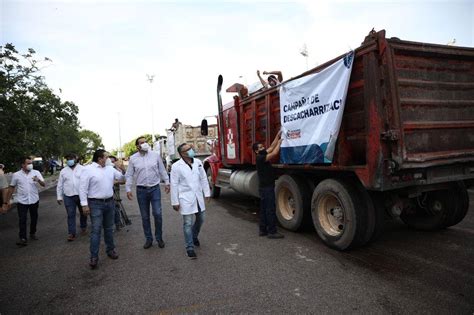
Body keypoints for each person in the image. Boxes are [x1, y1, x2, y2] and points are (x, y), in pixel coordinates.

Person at [79, 149, 124, 269]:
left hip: (109, 202)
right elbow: (82, 188)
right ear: (100, 159)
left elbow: (121, 177)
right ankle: (94, 257)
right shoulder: (88, 170)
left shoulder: (110, 169)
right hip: (95, 204)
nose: (108, 159)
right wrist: (84, 204)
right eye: (106, 157)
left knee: (109, 228)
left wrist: (121, 168)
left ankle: (110, 250)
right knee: (96, 230)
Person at [126, 136, 170, 249]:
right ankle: (148, 239)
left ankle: (159, 238)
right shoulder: (133, 158)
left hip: (155, 189)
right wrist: (128, 189)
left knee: (157, 214)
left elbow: (162, 170)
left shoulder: (155, 155)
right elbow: (129, 174)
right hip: (141, 191)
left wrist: (167, 182)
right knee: (145, 216)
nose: (145, 144)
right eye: (142, 143)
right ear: (137, 146)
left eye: (146, 142)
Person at [170, 143, 211, 259]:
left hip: (198, 196)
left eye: (190, 148)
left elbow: (203, 178)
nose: (191, 150)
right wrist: (175, 201)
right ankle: (189, 248)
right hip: (185, 198)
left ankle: (194, 235)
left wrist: (207, 193)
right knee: (187, 223)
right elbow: (174, 184)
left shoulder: (197, 162)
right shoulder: (176, 166)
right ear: (182, 154)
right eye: (187, 150)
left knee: (201, 218)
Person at [4, 157, 45, 246]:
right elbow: (11, 188)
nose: (31, 165)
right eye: (28, 163)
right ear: (23, 165)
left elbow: (43, 184)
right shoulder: (16, 175)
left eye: (31, 163)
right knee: (22, 219)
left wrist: (38, 180)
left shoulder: (36, 173)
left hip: (34, 200)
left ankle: (32, 233)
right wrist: (7, 201)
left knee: (34, 218)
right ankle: (23, 238)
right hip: (22, 201)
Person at [253, 131, 284, 239]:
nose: (263, 148)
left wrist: (277, 135)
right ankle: (272, 232)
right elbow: (274, 152)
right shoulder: (260, 158)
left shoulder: (261, 154)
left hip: (264, 187)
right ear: (256, 151)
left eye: (262, 147)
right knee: (270, 209)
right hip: (267, 188)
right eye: (260, 148)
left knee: (264, 209)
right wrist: (280, 142)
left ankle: (263, 230)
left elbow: (271, 147)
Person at [57, 153, 88, 241]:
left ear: (76, 158)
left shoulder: (83, 169)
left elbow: (87, 182)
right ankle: (71, 233)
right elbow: (60, 184)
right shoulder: (63, 171)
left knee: (83, 213)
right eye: (68, 158)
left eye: (71, 158)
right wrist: (59, 196)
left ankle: (83, 227)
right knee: (70, 214)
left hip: (81, 195)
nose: (69, 160)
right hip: (68, 196)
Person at [108, 155, 126, 230]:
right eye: (110, 161)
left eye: (113, 161)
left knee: (116, 208)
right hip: (106, 192)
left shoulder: (117, 170)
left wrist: (116, 182)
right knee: (109, 209)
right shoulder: (104, 169)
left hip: (115, 191)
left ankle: (118, 224)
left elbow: (123, 181)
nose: (112, 163)